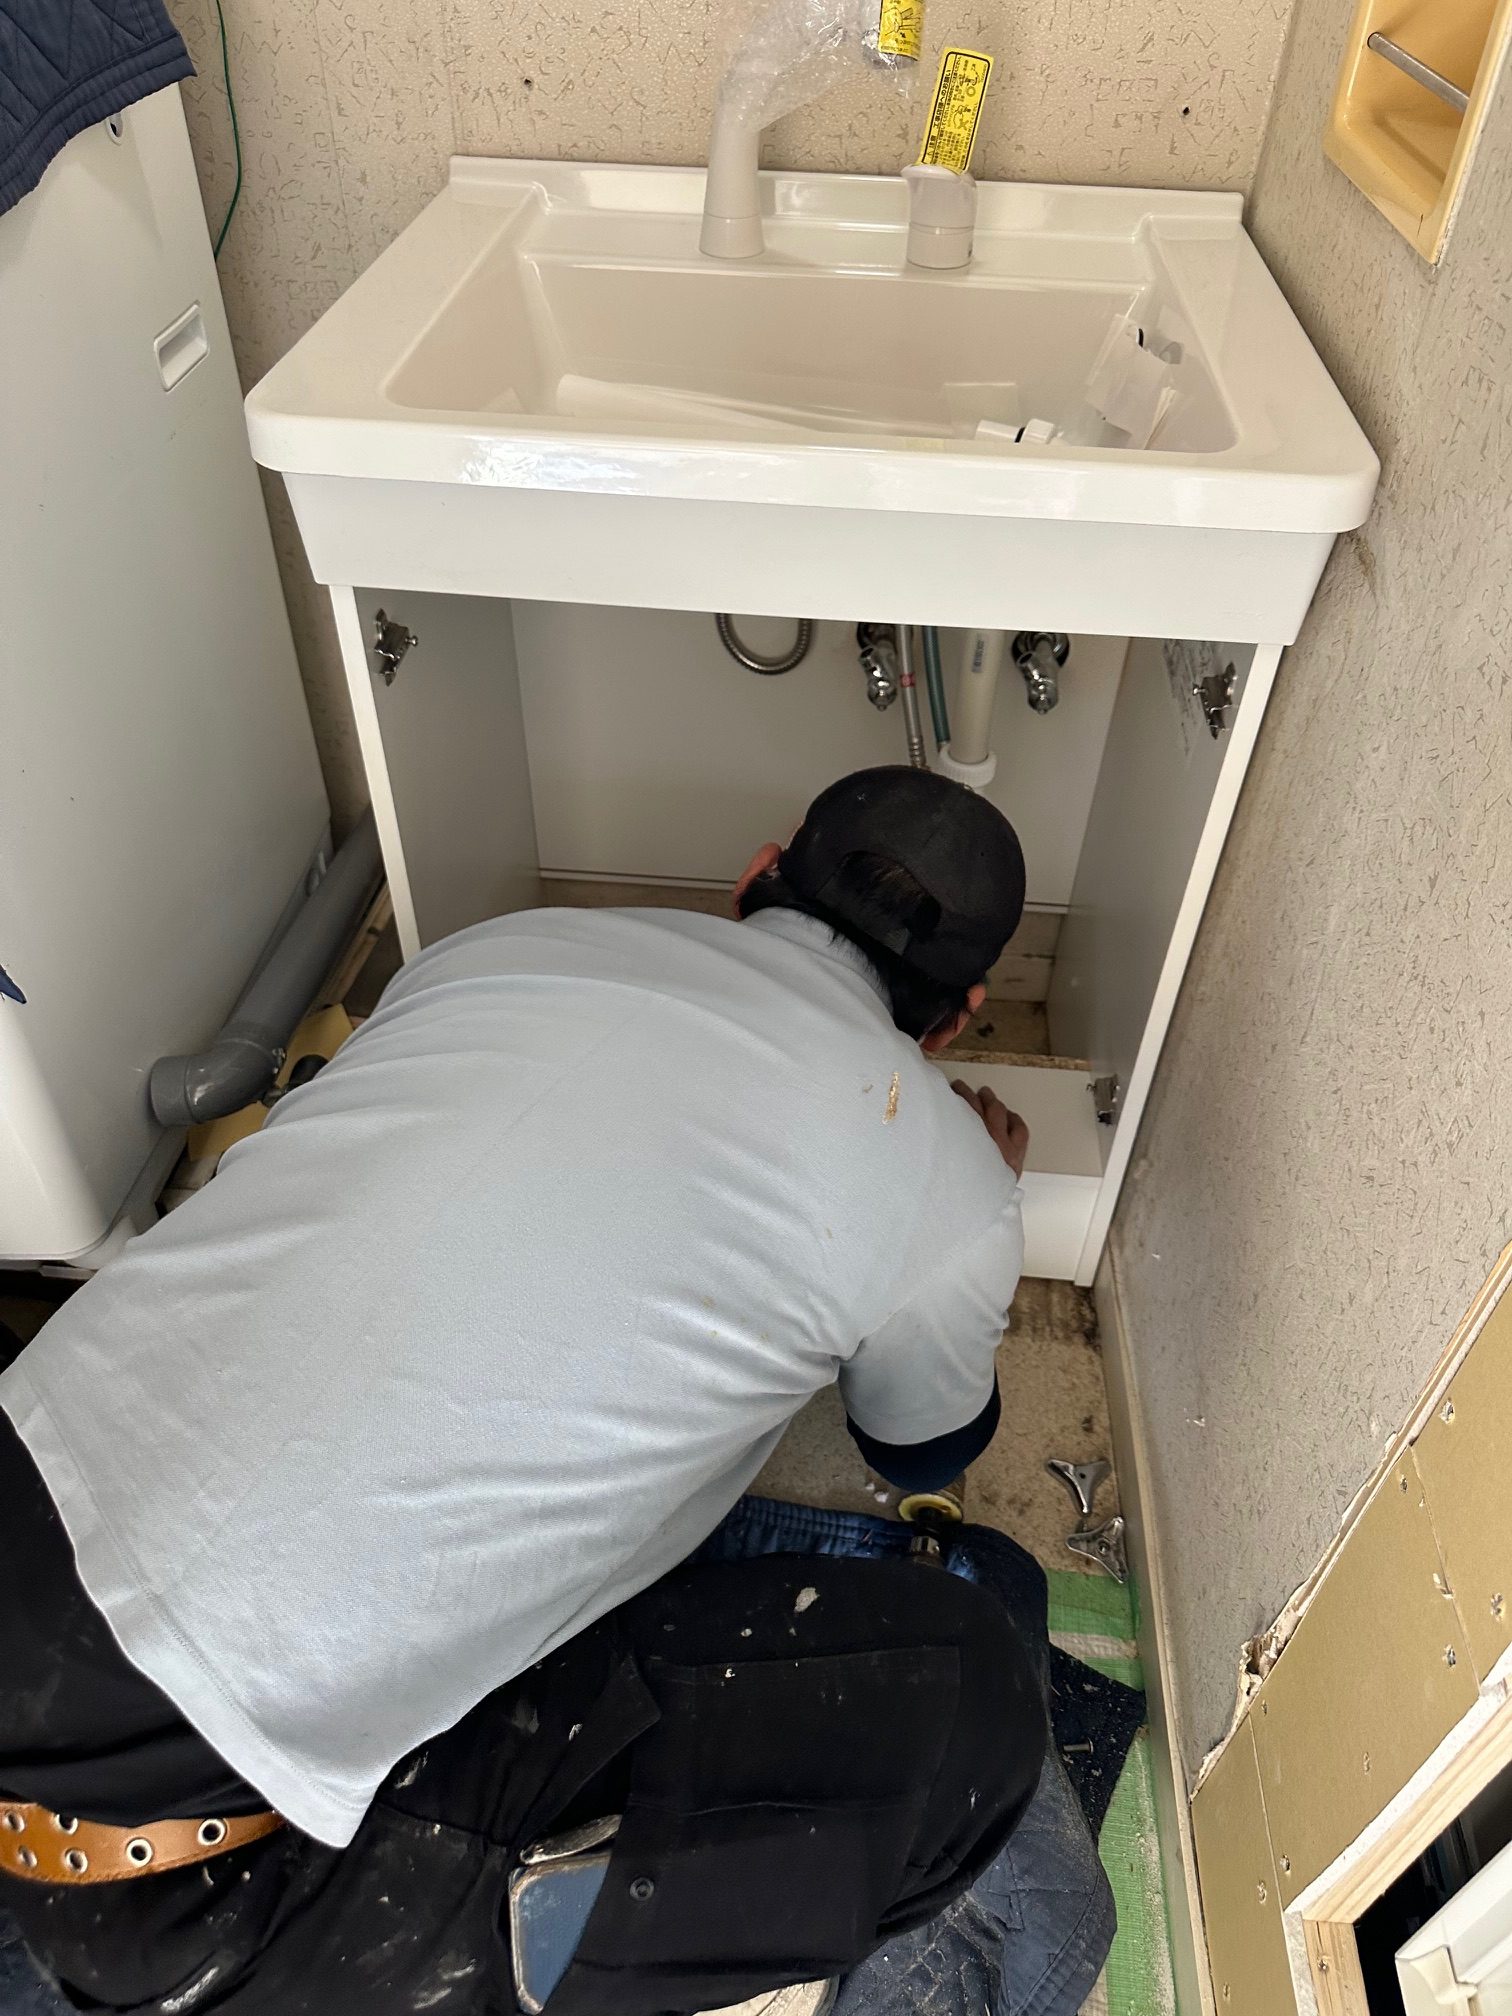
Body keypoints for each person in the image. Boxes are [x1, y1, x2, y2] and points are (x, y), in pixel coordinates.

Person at [0, 766, 1041, 2014]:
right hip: (178, 1885)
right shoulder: (943, 1176)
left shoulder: (505, 947)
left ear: (759, 873)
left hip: (21, 1492)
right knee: (975, 1706)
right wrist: (972, 1199)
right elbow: (921, 1451)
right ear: (959, 1018)